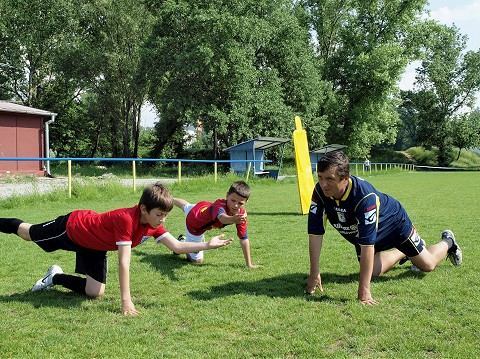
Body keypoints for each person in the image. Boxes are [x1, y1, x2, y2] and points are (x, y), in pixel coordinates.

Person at [0, 182, 232, 316]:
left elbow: (178, 246)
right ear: (143, 208)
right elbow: (124, 263)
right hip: (73, 228)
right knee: (27, 233)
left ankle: (55, 277)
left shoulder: (152, 225)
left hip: (95, 246)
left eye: (165, 215)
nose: (162, 220)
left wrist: (207, 245)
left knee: (95, 293)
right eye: (159, 214)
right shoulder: (126, 220)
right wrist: (126, 302)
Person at [305, 151, 462, 305]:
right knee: (371, 272)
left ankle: (448, 241)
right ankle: (403, 252)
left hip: (395, 224)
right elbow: (315, 234)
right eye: (320, 177)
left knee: (427, 265)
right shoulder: (319, 192)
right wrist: (314, 273)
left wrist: (364, 293)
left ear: (345, 179)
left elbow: (367, 245)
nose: (323, 184)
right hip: (368, 233)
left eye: (329, 179)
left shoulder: (364, 196)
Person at [173, 180, 256, 268]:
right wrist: (233, 219)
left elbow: (244, 239)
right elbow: (222, 218)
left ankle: (170, 199)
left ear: (246, 201)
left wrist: (249, 264)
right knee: (197, 261)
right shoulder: (219, 204)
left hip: (202, 207)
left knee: (185, 205)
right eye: (233, 200)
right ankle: (182, 242)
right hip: (194, 223)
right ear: (227, 195)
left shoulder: (241, 214)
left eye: (240, 203)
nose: (236, 205)